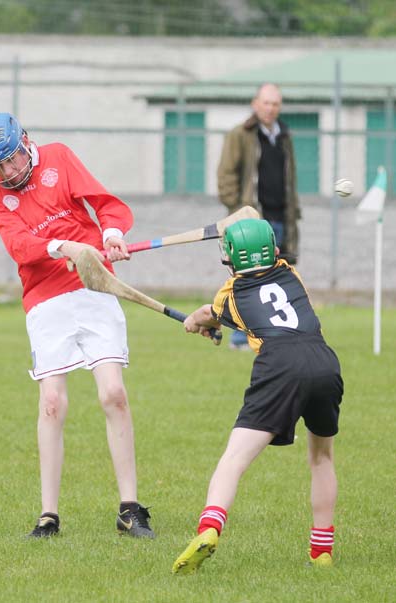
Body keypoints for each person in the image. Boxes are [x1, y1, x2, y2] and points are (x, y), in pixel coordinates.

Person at [0, 112, 154, 539]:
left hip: (93, 284)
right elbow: (20, 246)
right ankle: (48, 516)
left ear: (25, 143)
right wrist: (60, 245)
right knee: (52, 402)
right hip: (44, 297)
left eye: (11, 160)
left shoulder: (59, 157)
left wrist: (109, 235)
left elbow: (106, 204)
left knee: (114, 394)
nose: (7, 172)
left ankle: (130, 509)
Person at [172, 219, 343, 574]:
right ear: (274, 251)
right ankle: (322, 551)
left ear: (232, 259)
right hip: (324, 360)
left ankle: (208, 530)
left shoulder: (230, 293)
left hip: (279, 364)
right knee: (322, 458)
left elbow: (210, 315)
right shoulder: (291, 274)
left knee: (234, 458)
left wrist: (193, 321)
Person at [217, 82, 301, 350]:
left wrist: (293, 212)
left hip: (280, 218)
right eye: (266, 103)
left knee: (280, 276)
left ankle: (277, 334)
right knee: (248, 277)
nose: (270, 108)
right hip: (252, 221)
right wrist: (236, 209)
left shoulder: (284, 136)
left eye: (275, 104)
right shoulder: (240, 135)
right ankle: (240, 337)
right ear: (255, 104)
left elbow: (290, 178)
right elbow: (226, 175)